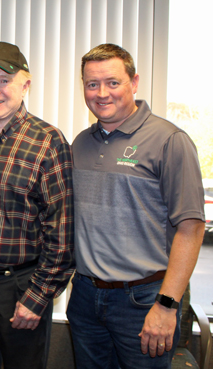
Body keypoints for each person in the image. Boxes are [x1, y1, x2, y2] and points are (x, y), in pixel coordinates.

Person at [66, 43, 205, 369]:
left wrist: (167, 305)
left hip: (143, 301)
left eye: (113, 82)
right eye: (92, 84)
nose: (102, 93)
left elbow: (191, 228)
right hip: (86, 297)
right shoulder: (80, 143)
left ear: (134, 82)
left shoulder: (169, 141)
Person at [0, 41, 75, 369]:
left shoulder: (48, 142)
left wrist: (36, 299)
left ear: (25, 84)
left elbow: (62, 234)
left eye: (4, 80)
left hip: (19, 286)